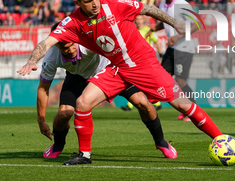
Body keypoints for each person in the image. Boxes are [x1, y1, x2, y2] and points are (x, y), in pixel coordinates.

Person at [17, 0, 235, 165]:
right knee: (82, 104)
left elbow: (147, 8)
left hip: (143, 64)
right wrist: (31, 60)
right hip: (116, 68)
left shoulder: (114, 4)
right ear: (78, 2)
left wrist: (173, 22)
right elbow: (47, 42)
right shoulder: (72, 22)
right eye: (89, 1)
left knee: (181, 103)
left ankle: (221, 138)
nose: (96, 3)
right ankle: (84, 155)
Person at [39, 22, 173, 159]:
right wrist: (41, 120)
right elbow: (43, 89)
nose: (71, 50)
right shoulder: (51, 58)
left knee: (142, 102)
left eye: (73, 44)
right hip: (77, 77)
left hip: (110, 71)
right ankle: (58, 145)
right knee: (63, 114)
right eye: (64, 47)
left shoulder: (88, 40)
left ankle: (161, 142)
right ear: (55, 44)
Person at [152, 0, 197, 122]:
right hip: (172, 48)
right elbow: (163, 22)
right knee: (162, 75)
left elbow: (196, 25)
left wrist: (178, 37)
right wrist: (151, 30)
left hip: (184, 47)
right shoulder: (162, 5)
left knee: (181, 81)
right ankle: (156, 103)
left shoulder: (182, 4)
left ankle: (192, 109)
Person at [121, 14, 163, 111]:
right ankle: (133, 104)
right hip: (135, 59)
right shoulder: (133, 30)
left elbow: (157, 42)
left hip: (146, 60)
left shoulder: (148, 30)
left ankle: (156, 102)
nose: (139, 21)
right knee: (135, 80)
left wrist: (160, 56)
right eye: (137, 19)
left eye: (140, 19)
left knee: (145, 81)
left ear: (143, 20)